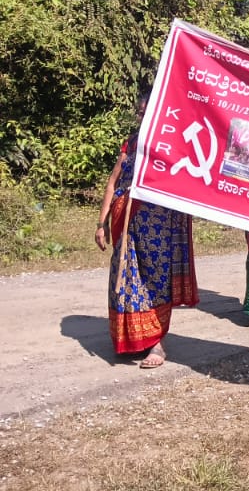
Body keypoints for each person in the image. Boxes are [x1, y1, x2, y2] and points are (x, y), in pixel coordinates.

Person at [94, 90, 199, 369]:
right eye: (139, 113)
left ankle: (156, 343)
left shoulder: (172, 144)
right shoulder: (131, 143)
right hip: (126, 221)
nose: (141, 117)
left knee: (154, 282)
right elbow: (112, 183)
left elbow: (188, 179)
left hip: (158, 225)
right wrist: (101, 223)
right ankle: (130, 339)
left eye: (145, 112)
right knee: (125, 278)